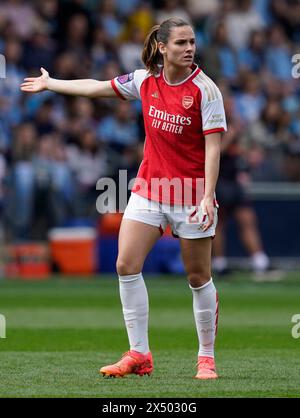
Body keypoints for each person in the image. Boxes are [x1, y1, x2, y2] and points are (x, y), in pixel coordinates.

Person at [21, 18, 227, 380]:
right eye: (181, 42)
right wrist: (51, 83)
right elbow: (96, 88)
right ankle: (139, 354)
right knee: (125, 265)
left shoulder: (205, 91)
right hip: (149, 189)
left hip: (191, 195)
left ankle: (206, 357)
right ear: (162, 47)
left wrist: (208, 196)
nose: (189, 48)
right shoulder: (145, 81)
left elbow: (213, 148)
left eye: (192, 42)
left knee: (198, 277)